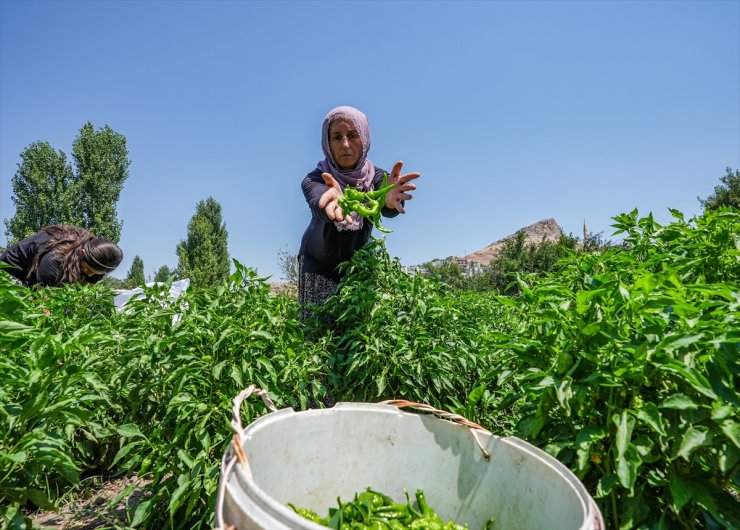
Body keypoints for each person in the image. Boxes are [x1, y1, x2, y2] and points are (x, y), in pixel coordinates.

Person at [298, 105, 420, 315]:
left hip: (358, 266)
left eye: (352, 135)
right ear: (327, 143)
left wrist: (388, 202)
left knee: (357, 328)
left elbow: (387, 204)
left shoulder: (377, 177)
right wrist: (329, 203)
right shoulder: (316, 178)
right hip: (317, 265)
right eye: (336, 137)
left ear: (364, 138)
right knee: (317, 330)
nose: (345, 144)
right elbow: (318, 201)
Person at [0, 225, 123, 287]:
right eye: (88, 269)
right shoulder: (55, 259)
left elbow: (84, 296)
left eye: (96, 273)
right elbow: (45, 302)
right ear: (82, 253)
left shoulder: (98, 264)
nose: (90, 275)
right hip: (11, 272)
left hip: (36, 275)